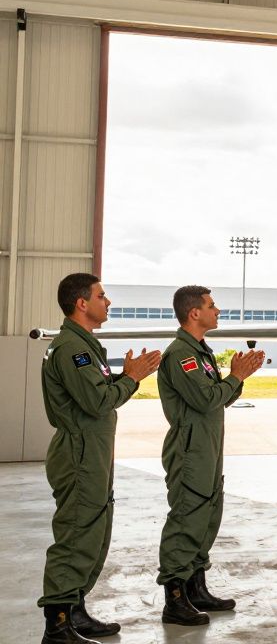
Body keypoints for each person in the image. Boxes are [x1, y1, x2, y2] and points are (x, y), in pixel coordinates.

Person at [37, 273, 161, 644]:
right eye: (101, 296)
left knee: (92, 532)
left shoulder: (84, 346)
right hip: (80, 452)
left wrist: (125, 375)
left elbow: (98, 390)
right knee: (77, 533)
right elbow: (97, 401)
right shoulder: (72, 349)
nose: (108, 302)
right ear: (82, 303)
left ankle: (74, 610)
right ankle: (57, 625)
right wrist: (132, 378)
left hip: (92, 451)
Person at [156, 285, 265, 626]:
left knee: (207, 516)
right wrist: (235, 376)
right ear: (194, 313)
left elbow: (219, 398)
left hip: (207, 447)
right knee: (187, 519)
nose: (217, 311)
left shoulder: (200, 352)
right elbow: (205, 400)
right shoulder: (182, 355)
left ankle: (195, 588)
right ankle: (175, 600)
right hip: (191, 450)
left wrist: (237, 379)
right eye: (212, 305)